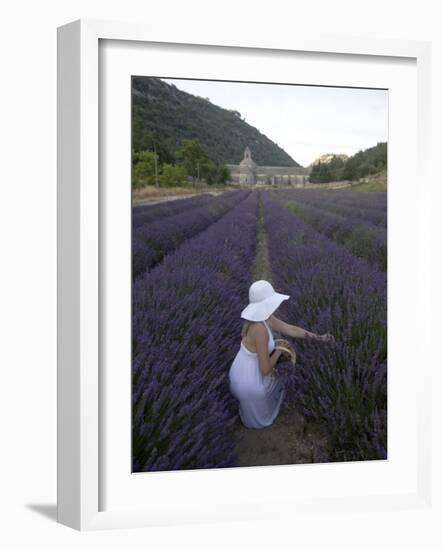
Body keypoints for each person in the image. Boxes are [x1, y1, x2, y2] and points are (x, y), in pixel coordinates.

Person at [228, 280, 333, 429]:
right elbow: (265, 370)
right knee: (279, 385)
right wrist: (279, 350)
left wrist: (318, 337)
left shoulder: (262, 319)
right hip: (250, 382)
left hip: (241, 370)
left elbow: (291, 329)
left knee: (279, 381)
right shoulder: (260, 329)